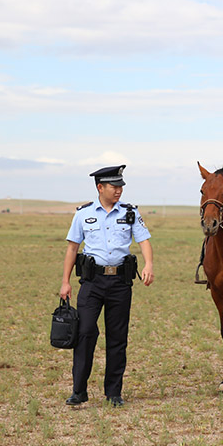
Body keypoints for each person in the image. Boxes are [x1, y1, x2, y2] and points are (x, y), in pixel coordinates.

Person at [59, 165, 154, 407]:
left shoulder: (130, 213)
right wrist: (65, 282)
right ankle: (79, 391)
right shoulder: (83, 214)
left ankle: (114, 393)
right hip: (92, 283)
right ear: (100, 187)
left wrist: (149, 264)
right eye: (114, 186)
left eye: (121, 186)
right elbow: (72, 248)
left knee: (117, 338)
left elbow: (144, 240)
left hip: (120, 283)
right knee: (85, 333)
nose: (119, 190)